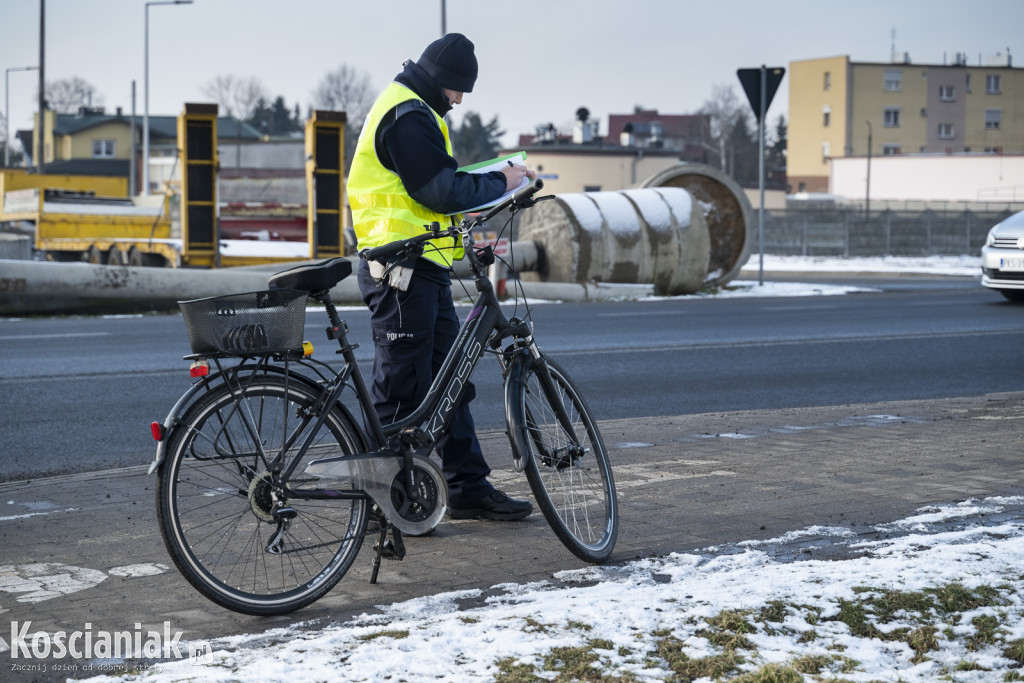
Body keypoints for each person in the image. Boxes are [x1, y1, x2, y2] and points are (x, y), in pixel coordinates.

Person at [347, 33, 535, 521]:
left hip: (420, 264)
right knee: (403, 386)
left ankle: (467, 487)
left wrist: (462, 234)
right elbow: (437, 189)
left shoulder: (418, 112)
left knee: (450, 381)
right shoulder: (407, 113)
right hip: (398, 269)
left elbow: (423, 196)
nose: (459, 100)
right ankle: (379, 503)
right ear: (442, 80)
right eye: (458, 90)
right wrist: (503, 182)